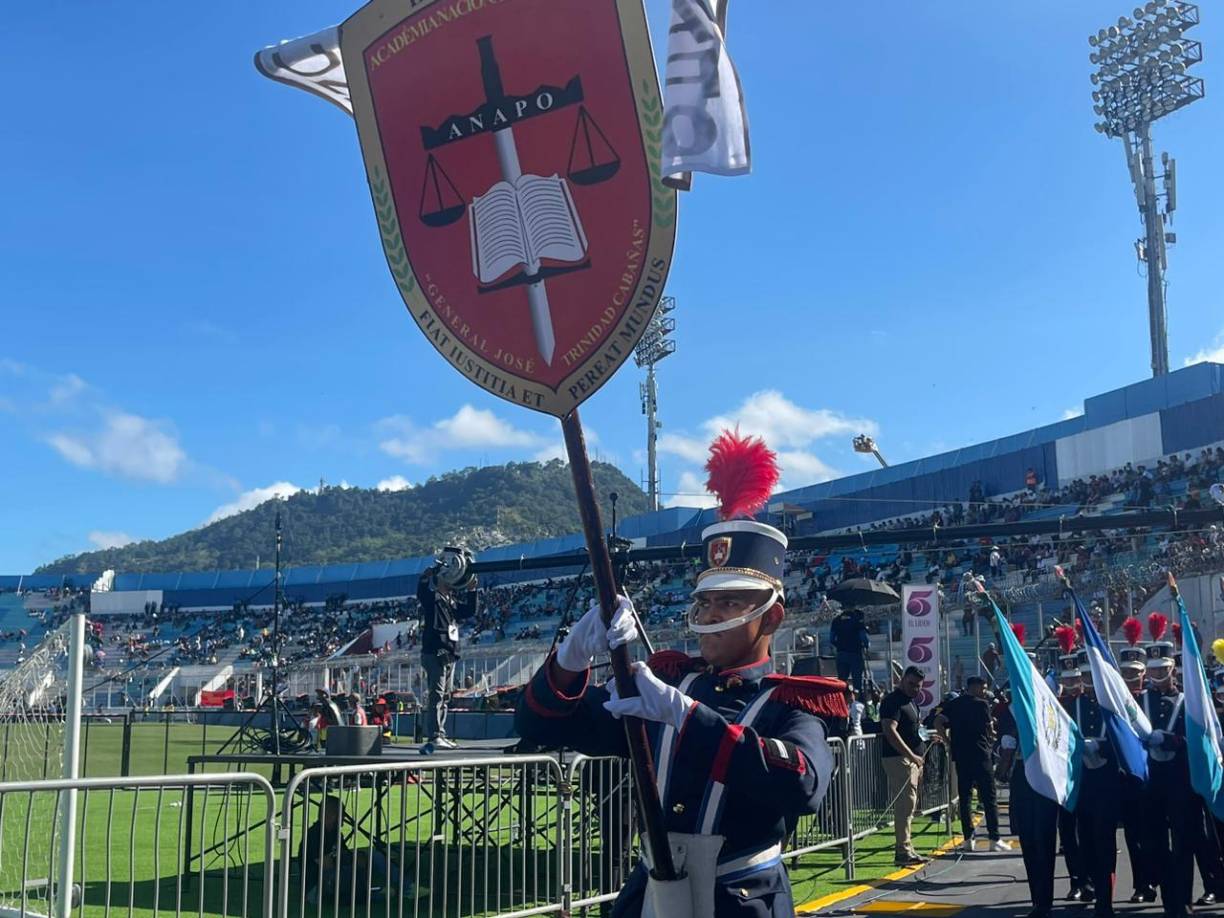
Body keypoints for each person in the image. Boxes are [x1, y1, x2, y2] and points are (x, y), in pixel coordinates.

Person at [515, 507, 844, 916]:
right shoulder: (668, 684)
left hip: (740, 899)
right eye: (705, 602)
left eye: (729, 602)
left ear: (771, 617)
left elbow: (803, 785)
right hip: (650, 895)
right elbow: (539, 723)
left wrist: (687, 718)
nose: (709, 616)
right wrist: (571, 657)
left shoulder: (790, 704)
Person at [1141, 635, 1195, 918]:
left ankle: (1184, 900)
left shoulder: (1188, 700)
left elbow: (1198, 740)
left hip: (1179, 781)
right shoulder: (1140, 702)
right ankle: (1168, 901)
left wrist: (1172, 740)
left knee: (1183, 842)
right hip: (1152, 782)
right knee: (1156, 842)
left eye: (1163, 669)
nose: (1158, 674)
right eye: (1154, 670)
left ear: (1172, 668)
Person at [999, 693, 1058, 918]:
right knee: (1027, 838)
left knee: (1043, 837)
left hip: (1044, 774)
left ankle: (1045, 900)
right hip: (1021, 776)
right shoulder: (1010, 711)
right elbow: (1000, 743)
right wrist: (1004, 747)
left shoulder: (1046, 706)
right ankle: (1037, 898)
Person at [936, 676, 1008, 852]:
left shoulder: (954, 704)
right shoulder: (982, 705)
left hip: (961, 755)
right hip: (981, 754)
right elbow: (989, 729)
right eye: (983, 688)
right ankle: (994, 838)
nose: (984, 691)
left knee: (965, 798)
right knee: (989, 797)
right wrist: (993, 733)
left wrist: (947, 741)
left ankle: (968, 838)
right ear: (974, 687)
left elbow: (938, 721)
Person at [1071, 665, 1119, 918]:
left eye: (1093, 675)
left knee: (1105, 844)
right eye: (1086, 675)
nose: (1089, 680)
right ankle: (1088, 884)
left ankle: (1105, 901)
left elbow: (1126, 741)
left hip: (1107, 784)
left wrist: (1102, 748)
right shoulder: (1071, 705)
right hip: (1083, 784)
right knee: (1086, 842)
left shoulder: (1112, 705)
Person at [300, 796, 412, 904]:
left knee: (374, 857)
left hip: (336, 877)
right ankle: (373, 894)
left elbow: (345, 855)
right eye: (341, 815)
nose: (343, 820)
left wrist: (357, 857)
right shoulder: (314, 835)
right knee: (343, 874)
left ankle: (407, 886)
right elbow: (325, 864)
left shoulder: (336, 835)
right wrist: (350, 859)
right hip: (316, 887)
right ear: (332, 815)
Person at [417, 564, 469, 753]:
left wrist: (473, 591)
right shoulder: (434, 598)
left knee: (445, 696)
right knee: (437, 695)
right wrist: (425, 577)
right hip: (434, 652)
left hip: (449, 652)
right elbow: (422, 593)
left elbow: (469, 610)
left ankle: (440, 733)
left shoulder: (451, 602)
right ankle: (435, 735)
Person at [880, 666, 929, 866]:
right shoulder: (892, 701)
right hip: (898, 759)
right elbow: (889, 730)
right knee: (904, 805)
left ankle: (906, 847)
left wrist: (927, 737)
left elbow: (914, 730)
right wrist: (910, 755)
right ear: (902, 680)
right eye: (911, 684)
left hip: (912, 759)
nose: (914, 689)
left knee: (909, 805)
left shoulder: (912, 703)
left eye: (918, 686)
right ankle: (903, 850)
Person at [829, 607, 869, 693]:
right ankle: (858, 702)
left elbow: (831, 639)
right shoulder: (857, 619)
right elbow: (864, 638)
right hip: (855, 654)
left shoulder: (836, 620)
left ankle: (841, 701)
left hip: (841, 654)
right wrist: (866, 645)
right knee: (857, 682)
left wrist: (840, 645)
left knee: (841, 682)